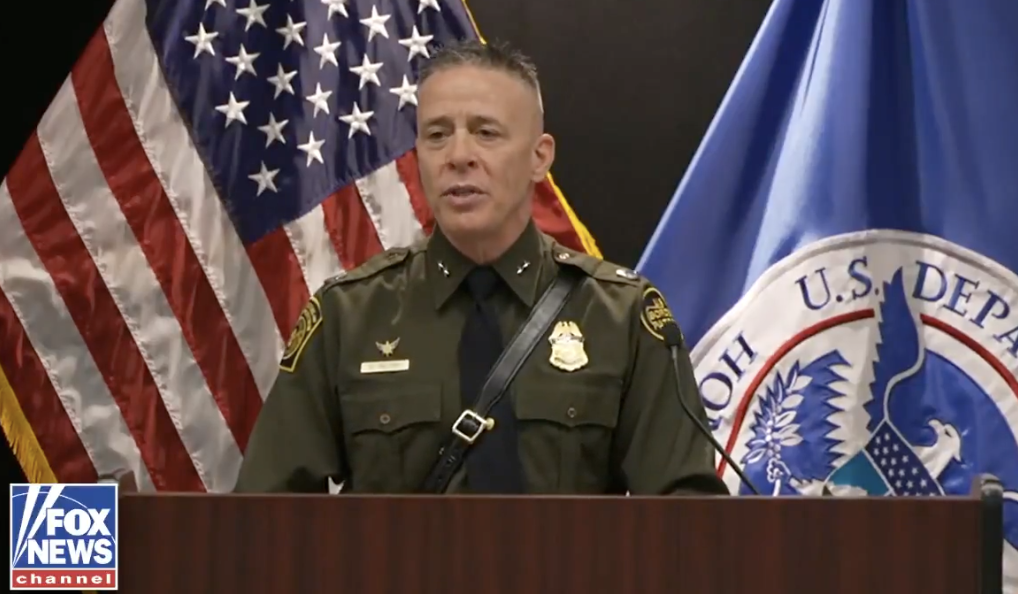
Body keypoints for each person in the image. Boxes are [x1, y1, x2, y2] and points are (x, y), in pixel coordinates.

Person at [233, 40, 729, 496]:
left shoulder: (621, 318)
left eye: (486, 133)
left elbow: (686, 521)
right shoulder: (349, 317)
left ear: (539, 158)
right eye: (437, 135)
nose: (458, 156)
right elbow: (266, 519)